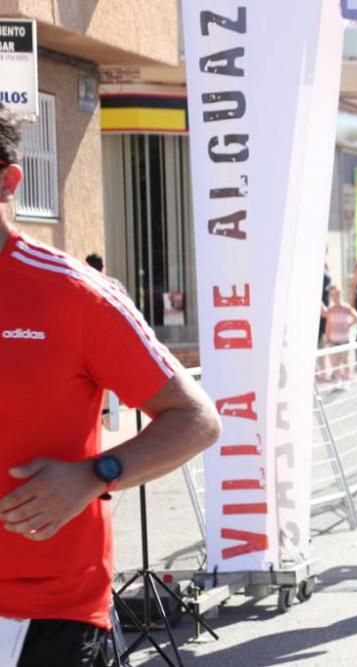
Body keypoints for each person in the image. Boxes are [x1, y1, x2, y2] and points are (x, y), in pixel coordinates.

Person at [0, 106, 221, 665]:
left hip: (46, 614)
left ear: (8, 179)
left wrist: (94, 476)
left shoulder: (76, 295)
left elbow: (195, 419)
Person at [320, 285, 357, 387]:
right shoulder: (331, 309)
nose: (335, 297)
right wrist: (328, 338)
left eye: (337, 294)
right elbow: (328, 324)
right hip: (333, 341)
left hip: (344, 340)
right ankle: (338, 381)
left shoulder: (346, 308)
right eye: (333, 295)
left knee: (345, 361)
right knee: (335, 363)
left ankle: (347, 380)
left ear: (341, 295)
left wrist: (348, 324)